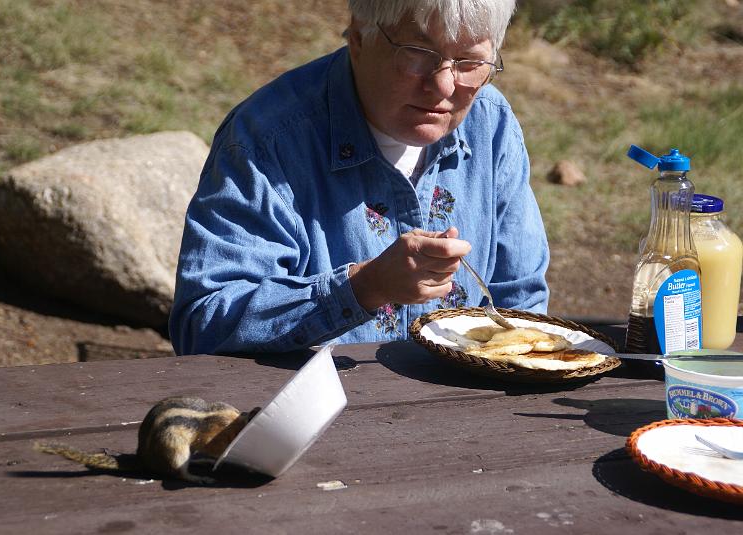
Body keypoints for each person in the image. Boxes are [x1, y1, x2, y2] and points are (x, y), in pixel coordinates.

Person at [169, 0, 549, 355]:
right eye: (418, 53)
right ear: (358, 37)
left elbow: (520, 302)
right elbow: (202, 327)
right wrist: (363, 287)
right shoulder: (268, 142)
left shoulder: (490, 125)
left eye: (469, 62)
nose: (444, 85)